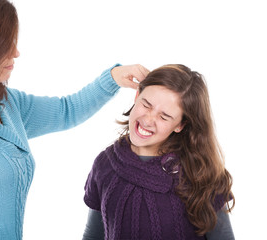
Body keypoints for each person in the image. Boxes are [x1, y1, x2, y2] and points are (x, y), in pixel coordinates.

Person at [0, 0, 149, 239]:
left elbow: (66, 111)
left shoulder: (4, 101)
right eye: (5, 44)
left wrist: (113, 78)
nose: (16, 52)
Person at [83, 64, 235, 240]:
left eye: (164, 116)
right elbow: (92, 235)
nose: (148, 120)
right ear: (137, 95)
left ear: (180, 125)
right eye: (146, 105)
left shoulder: (200, 173)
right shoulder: (105, 165)